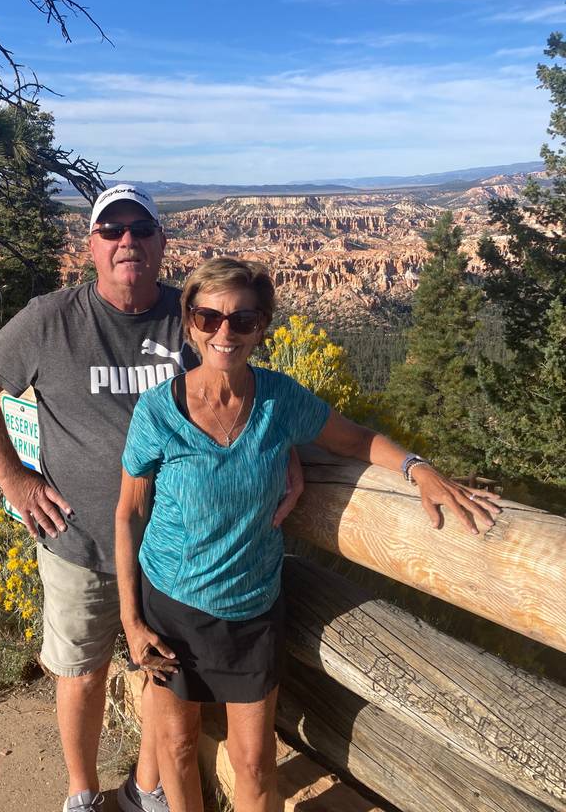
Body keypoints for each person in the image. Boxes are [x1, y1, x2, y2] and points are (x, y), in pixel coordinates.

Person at [115, 256, 502, 812]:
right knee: (176, 746)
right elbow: (128, 512)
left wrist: (418, 468)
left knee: (254, 764)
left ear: (262, 327)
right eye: (209, 318)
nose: (225, 333)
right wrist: (131, 620)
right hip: (170, 607)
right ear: (189, 323)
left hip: (251, 608)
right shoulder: (158, 412)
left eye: (243, 321)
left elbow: (354, 440)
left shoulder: (279, 400)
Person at [0, 185, 198, 812]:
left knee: (162, 671)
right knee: (81, 671)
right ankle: (82, 793)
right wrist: (13, 478)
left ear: (161, 242)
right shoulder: (50, 319)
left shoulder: (192, 315)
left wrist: (284, 457)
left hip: (171, 545)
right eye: (111, 231)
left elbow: (244, 394)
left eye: (140, 230)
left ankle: (147, 790)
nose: (127, 243)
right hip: (77, 538)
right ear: (89, 244)